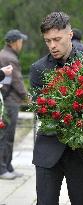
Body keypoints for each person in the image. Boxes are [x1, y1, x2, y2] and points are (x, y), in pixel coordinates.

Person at [30, 12, 83, 205]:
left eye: (57, 39)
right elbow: (42, 110)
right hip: (48, 152)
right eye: (48, 41)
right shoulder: (38, 69)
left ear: (70, 35)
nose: (52, 45)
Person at [0, 29, 28, 180]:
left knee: (7, 136)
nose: (21, 44)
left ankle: (8, 166)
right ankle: (2, 168)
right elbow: (17, 81)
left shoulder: (4, 54)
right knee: (6, 136)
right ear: (14, 42)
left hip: (8, 100)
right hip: (9, 102)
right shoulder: (10, 58)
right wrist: (28, 98)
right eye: (20, 41)